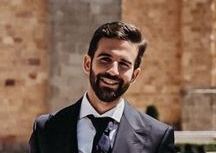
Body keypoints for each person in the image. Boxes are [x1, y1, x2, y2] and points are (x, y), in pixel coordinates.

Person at [29, 21, 174, 153]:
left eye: (124, 64)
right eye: (105, 59)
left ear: (134, 75)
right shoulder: (46, 129)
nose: (113, 71)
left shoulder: (157, 138)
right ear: (87, 63)